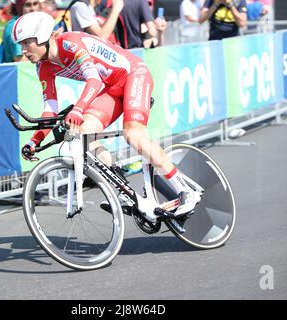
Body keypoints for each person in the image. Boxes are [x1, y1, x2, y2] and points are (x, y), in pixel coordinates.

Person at [12, 11, 202, 217]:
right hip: (112, 89)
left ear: (42, 37)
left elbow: (94, 81)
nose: (23, 50)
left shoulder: (71, 43)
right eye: (20, 45)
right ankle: (123, 190)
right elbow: (49, 109)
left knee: (133, 136)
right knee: (83, 134)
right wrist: (34, 141)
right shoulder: (43, 67)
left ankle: (186, 190)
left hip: (133, 74)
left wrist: (78, 109)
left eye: (26, 43)